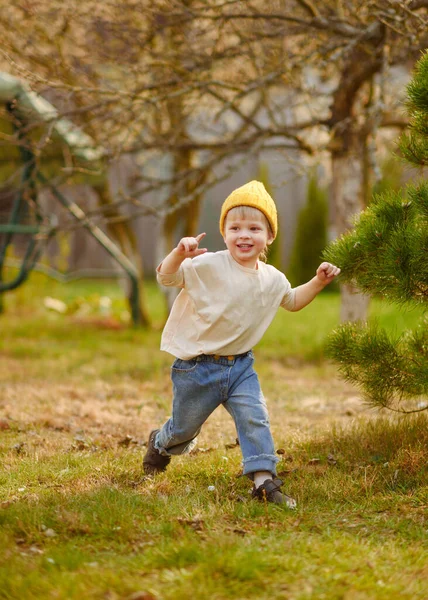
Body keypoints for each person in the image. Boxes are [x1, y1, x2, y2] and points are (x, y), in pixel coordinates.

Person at [143, 180, 340, 507]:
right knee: (183, 428)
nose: (244, 235)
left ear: (269, 235)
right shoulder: (208, 265)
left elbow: (292, 301)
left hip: (240, 367)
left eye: (254, 228)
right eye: (235, 227)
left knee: (254, 416)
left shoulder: (272, 278)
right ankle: (160, 442)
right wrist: (179, 254)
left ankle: (264, 481)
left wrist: (318, 282)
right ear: (224, 234)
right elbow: (166, 276)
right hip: (197, 367)